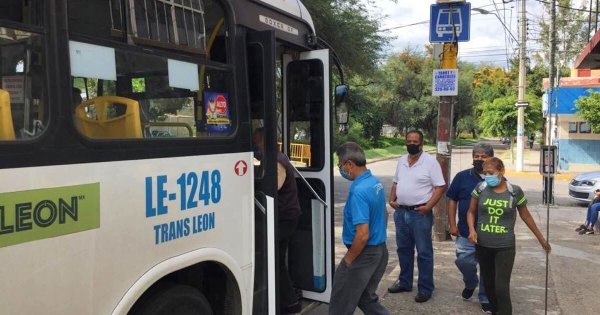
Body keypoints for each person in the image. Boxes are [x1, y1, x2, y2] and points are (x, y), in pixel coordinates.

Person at [467, 157, 551, 315]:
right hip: (482, 244)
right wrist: (471, 229)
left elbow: (526, 216)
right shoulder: (480, 187)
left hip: (504, 246)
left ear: (501, 171)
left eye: (491, 172)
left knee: (501, 287)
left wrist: (541, 239)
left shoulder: (514, 191)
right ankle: (495, 311)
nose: (487, 176)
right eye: (485, 173)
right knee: (489, 285)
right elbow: (471, 211)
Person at [329, 142, 389, 315]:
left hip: (363, 253)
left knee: (340, 303)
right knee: (365, 298)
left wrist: (349, 259)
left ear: (350, 164)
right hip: (379, 250)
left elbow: (362, 235)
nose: (340, 167)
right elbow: (384, 213)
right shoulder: (374, 182)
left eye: (340, 164)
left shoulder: (359, 191)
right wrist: (378, 240)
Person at [387, 130, 446, 303]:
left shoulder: (430, 162)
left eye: (415, 141)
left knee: (424, 252)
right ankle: (405, 282)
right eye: (409, 141)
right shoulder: (402, 160)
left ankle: (425, 288)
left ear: (421, 144)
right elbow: (396, 182)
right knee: (403, 250)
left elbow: (440, 187)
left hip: (420, 215)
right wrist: (392, 199)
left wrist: (428, 207)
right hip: (401, 213)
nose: (411, 144)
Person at [252, 128, 302, 314]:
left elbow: (272, 188)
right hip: (283, 217)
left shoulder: (277, 162)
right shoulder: (272, 158)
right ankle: (284, 299)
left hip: (285, 218)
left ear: (264, 142)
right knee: (276, 259)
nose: (255, 145)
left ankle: (289, 303)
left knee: (276, 260)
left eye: (257, 142)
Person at [446, 143, 493, 313]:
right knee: (463, 261)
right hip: (465, 232)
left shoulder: (496, 179)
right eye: (476, 156)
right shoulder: (462, 177)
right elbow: (451, 199)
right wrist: (451, 224)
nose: (479, 159)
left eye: (483, 156)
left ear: (491, 159)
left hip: (489, 234)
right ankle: (471, 282)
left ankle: (485, 297)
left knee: (488, 267)